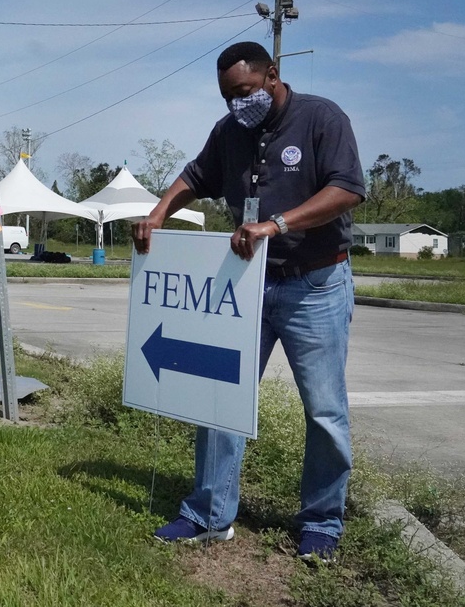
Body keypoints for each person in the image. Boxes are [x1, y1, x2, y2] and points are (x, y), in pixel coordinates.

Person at [132, 41, 365, 561]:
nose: (237, 104)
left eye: (244, 92)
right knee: (220, 394)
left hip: (314, 284)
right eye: (227, 97)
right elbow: (195, 176)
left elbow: (347, 189)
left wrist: (276, 224)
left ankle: (322, 522)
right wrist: (158, 213)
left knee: (324, 410)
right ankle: (209, 514)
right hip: (245, 285)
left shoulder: (321, 119)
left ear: (272, 76)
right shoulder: (229, 131)